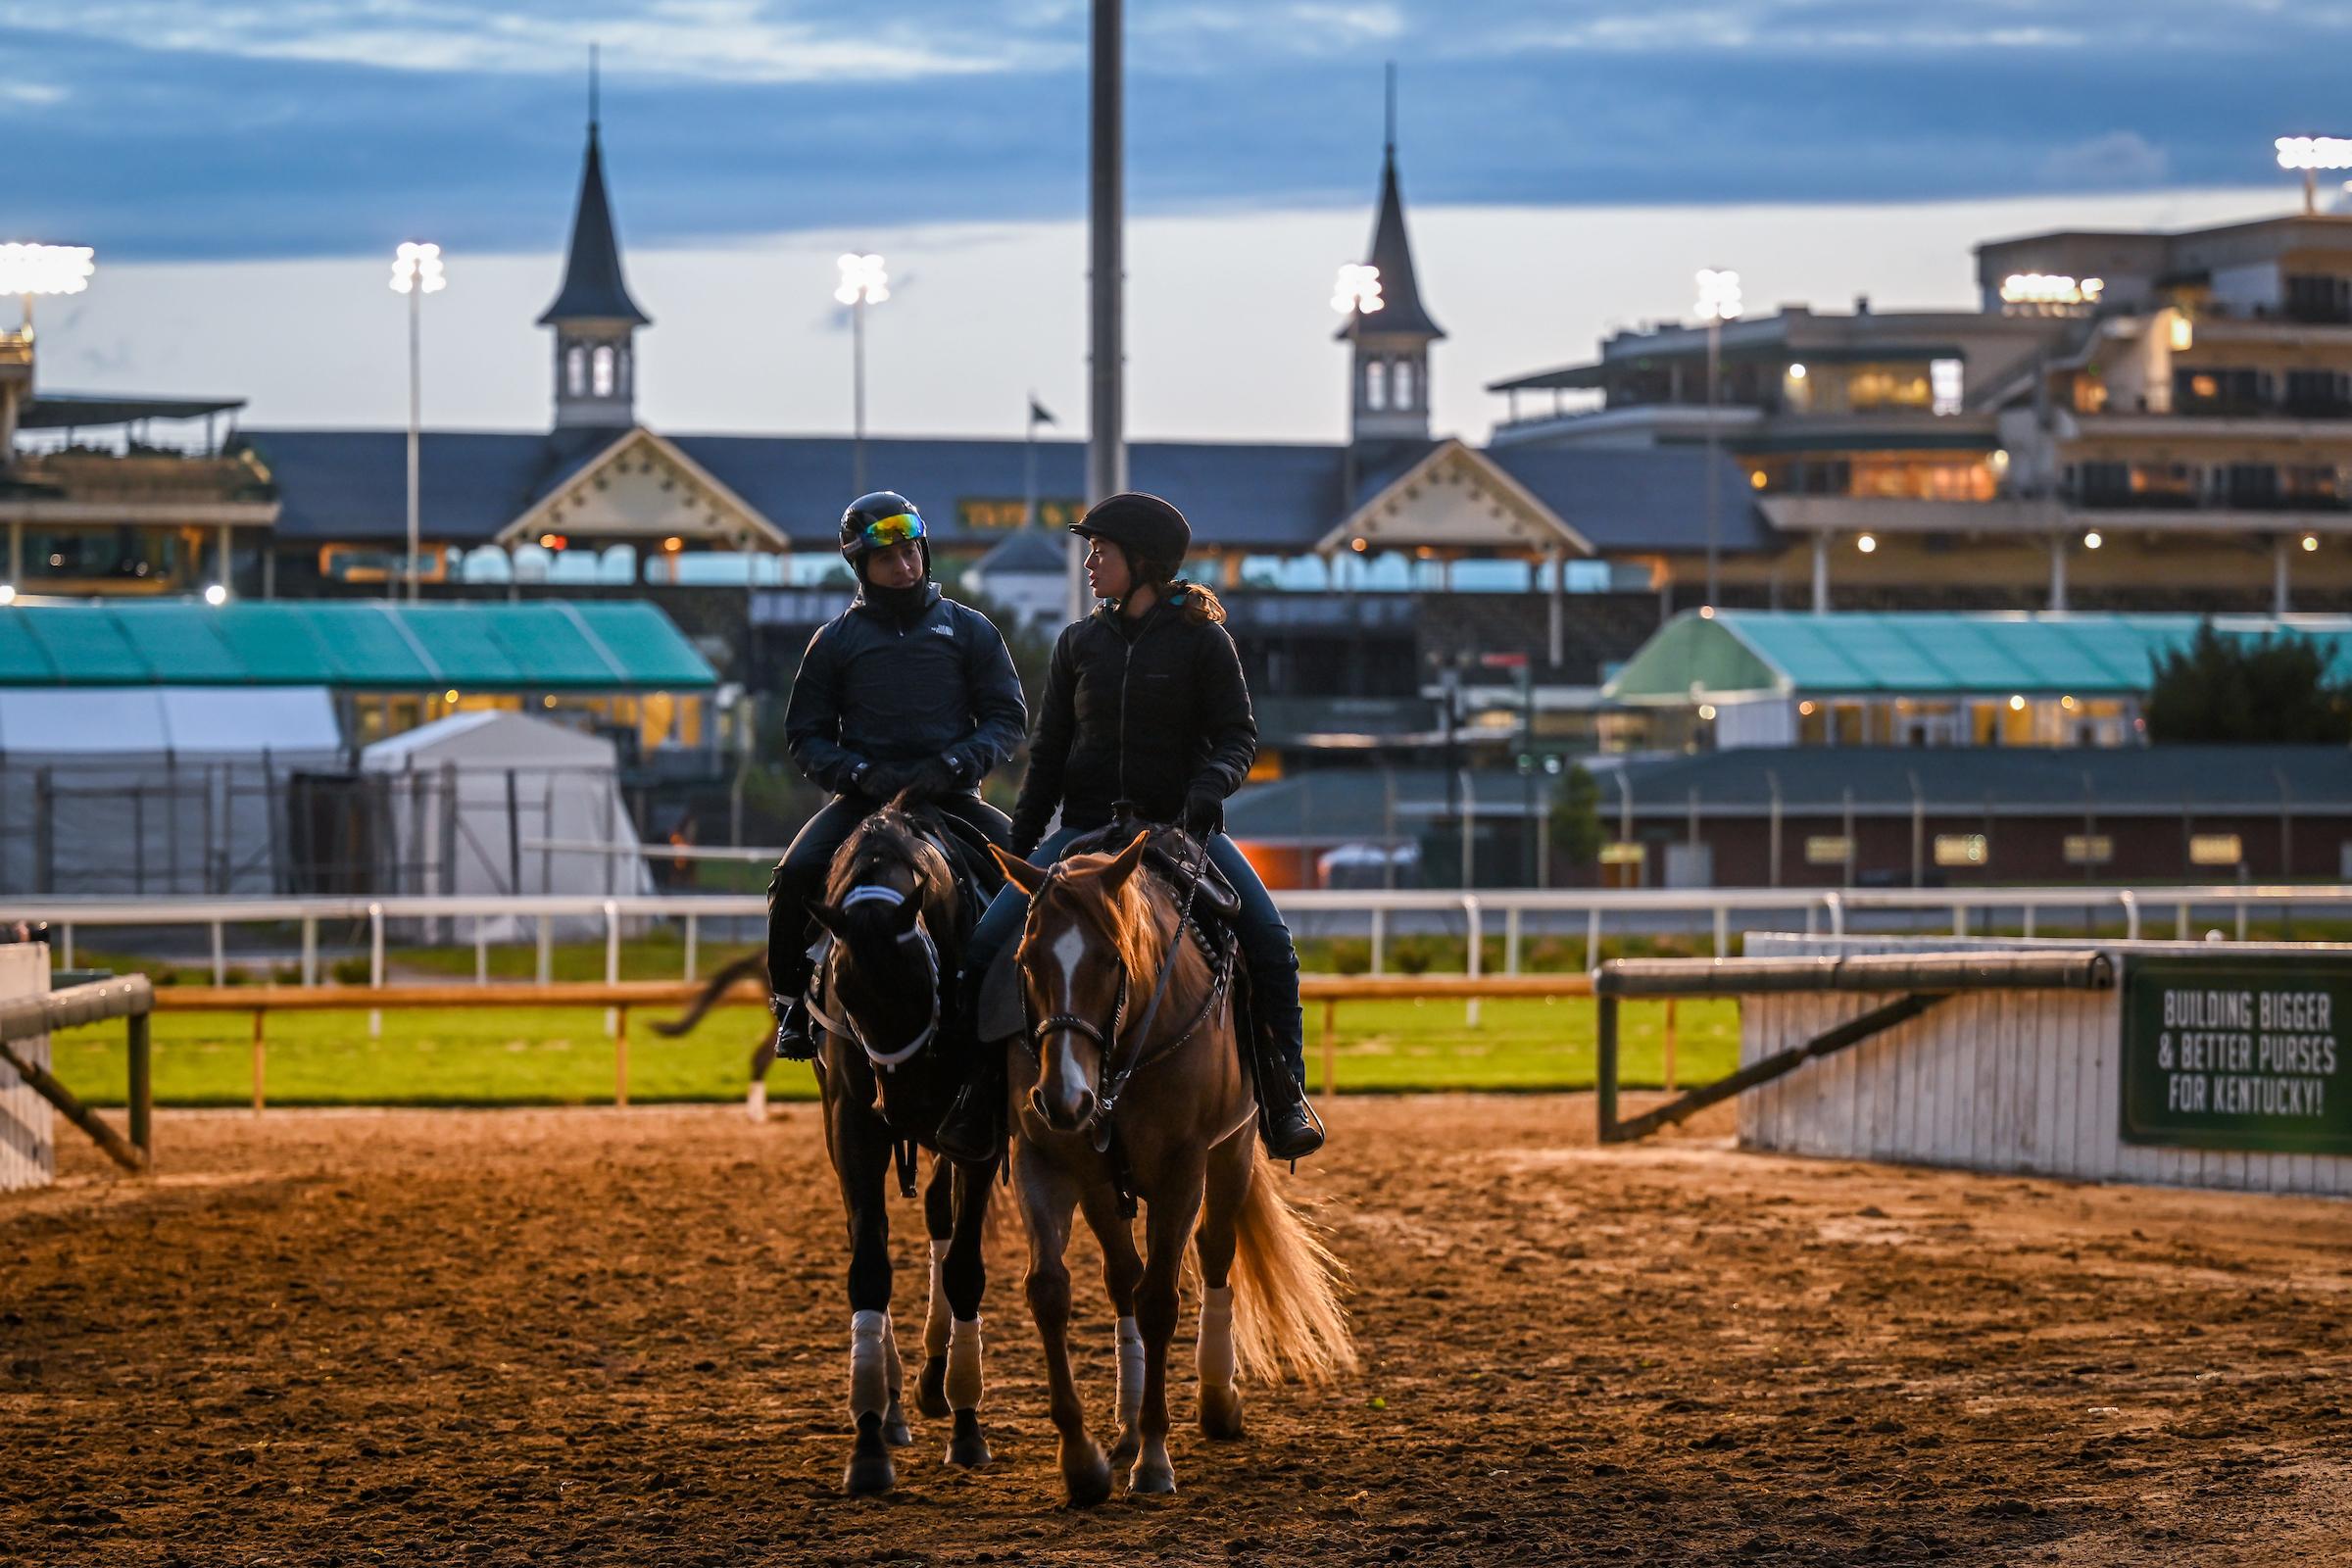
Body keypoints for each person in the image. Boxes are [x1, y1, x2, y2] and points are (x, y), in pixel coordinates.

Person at [957, 491, 1323, 1161]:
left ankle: (1283, 1093)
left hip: (1180, 830)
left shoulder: (1204, 643)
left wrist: (1209, 790)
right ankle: (976, 1103)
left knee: (1271, 943)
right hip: (1085, 831)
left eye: (1102, 550)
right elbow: (1049, 753)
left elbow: (1237, 737)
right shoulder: (1078, 644)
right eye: (1090, 549)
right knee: (983, 947)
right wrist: (1025, 843)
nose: (1090, 562)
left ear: (1143, 562)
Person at [766, 492, 1028, 1111]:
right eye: (889, 559)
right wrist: (858, 773)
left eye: (912, 551)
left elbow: (1006, 717)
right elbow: (804, 735)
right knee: (796, 877)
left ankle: (1032, 1012)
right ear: (861, 567)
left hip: (954, 798)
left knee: (1034, 876)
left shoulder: (970, 630)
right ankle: (790, 1011)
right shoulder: (833, 642)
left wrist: (957, 764)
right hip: (863, 803)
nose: (906, 567)